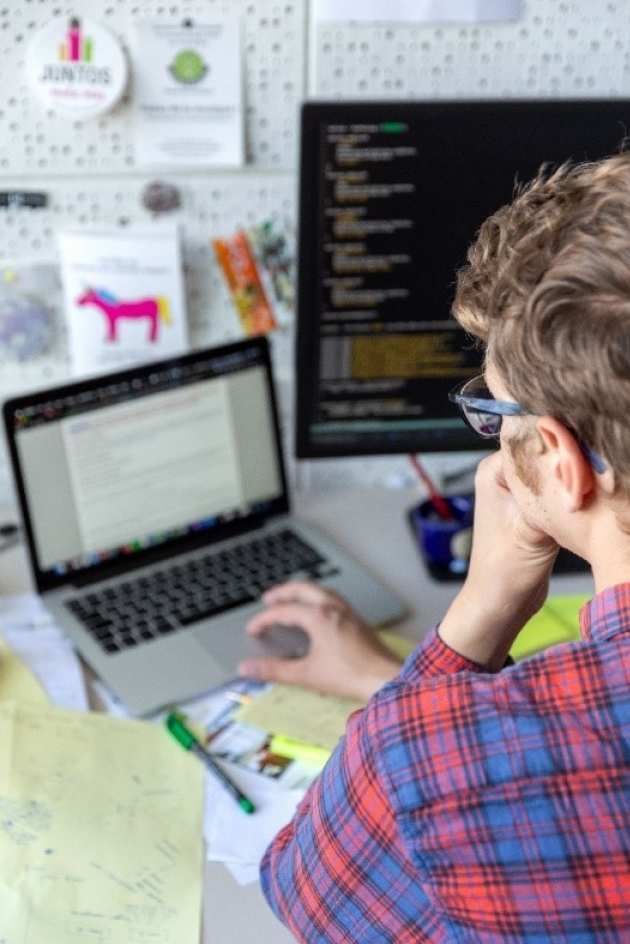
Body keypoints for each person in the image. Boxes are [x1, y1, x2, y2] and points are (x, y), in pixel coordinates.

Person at [238, 155, 630, 942]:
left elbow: (302, 892)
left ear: (560, 460)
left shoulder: (429, 761)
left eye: (497, 414)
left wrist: (477, 615)